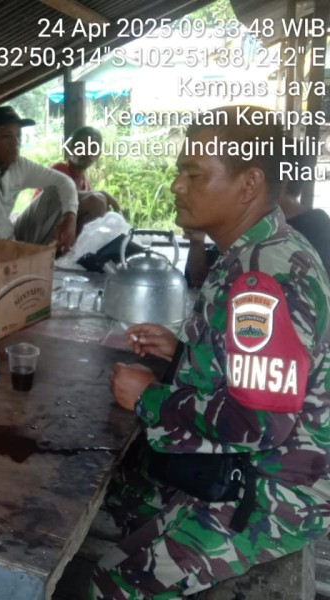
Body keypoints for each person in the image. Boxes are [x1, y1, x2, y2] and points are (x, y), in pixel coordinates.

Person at [92, 105, 330, 598]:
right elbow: (254, 369)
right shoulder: (251, 250)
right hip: (248, 464)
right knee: (126, 491)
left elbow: (261, 422)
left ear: (249, 184)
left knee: (112, 585)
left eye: (194, 174)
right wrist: (184, 354)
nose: (176, 185)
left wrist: (149, 397)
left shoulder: (264, 275)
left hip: (273, 490)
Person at [185, 140, 330, 287]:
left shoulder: (317, 227)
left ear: (282, 180)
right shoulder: (247, 221)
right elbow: (200, 280)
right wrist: (197, 243)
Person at [0, 106, 102, 252]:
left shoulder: (18, 164)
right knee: (92, 199)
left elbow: (64, 182)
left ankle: (72, 255)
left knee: (67, 191)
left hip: (11, 240)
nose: (15, 142)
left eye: (18, 135)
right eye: (6, 136)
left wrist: (70, 218)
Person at [49, 125, 121, 218]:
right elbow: (55, 198)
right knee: (97, 201)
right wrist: (101, 194)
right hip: (42, 225)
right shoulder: (58, 170)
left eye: (93, 148)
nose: (87, 152)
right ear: (69, 149)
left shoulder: (84, 182)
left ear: (98, 154)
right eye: (80, 147)